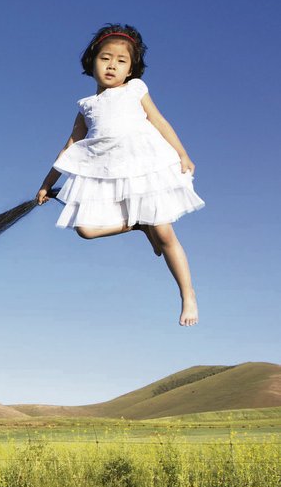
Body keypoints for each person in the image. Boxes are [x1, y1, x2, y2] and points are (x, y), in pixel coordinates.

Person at [36, 24, 204, 326]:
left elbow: (160, 122)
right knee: (85, 230)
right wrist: (47, 184)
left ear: (130, 70)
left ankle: (187, 295)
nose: (112, 64)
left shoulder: (136, 90)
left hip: (144, 167)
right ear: (92, 63)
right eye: (105, 58)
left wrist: (182, 153)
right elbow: (71, 146)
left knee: (165, 232)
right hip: (107, 172)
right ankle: (138, 225)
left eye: (121, 60)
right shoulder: (87, 107)